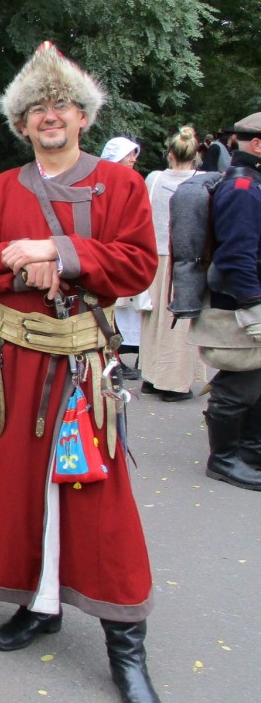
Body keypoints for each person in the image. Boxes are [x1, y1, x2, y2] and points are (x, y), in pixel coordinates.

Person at [0, 43, 163, 703]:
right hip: (12, 368)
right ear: (22, 123)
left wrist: (58, 252)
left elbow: (137, 265)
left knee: (100, 506)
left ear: (83, 117)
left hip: (83, 372)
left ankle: (126, 647)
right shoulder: (1, 189)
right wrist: (19, 263)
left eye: (62, 104)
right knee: (18, 493)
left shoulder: (121, 186)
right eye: (37, 107)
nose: (51, 115)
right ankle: (40, 606)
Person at [188, 111, 261, 490]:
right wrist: (254, 305)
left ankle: (251, 453)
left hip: (246, 298)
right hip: (240, 304)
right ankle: (224, 459)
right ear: (257, 144)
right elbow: (236, 257)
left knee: (256, 382)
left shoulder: (251, 183)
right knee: (238, 385)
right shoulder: (243, 188)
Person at [139, 127, 204, 401]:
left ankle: (151, 374)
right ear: (196, 154)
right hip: (187, 258)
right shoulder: (203, 181)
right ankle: (173, 382)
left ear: (170, 154)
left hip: (154, 256)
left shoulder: (154, 179)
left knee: (152, 318)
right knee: (179, 321)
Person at [101, 136, 146, 379]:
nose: (133, 159)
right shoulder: (104, 183)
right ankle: (112, 361)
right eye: (129, 155)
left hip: (120, 253)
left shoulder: (130, 182)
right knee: (105, 312)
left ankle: (114, 360)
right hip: (105, 255)